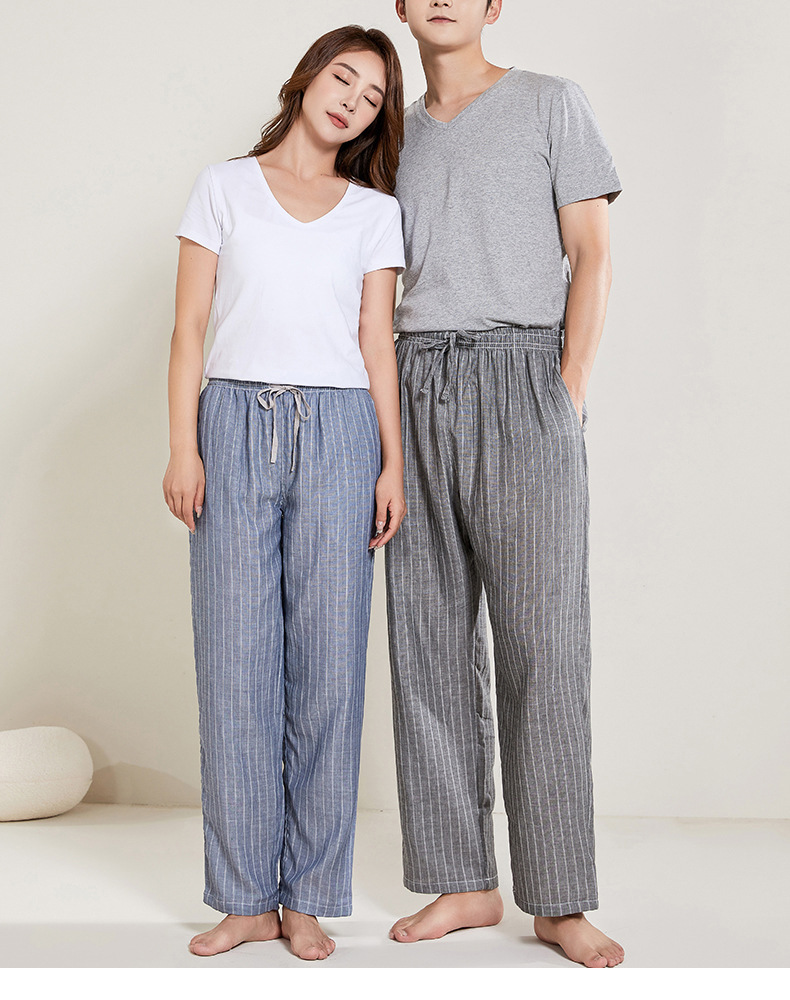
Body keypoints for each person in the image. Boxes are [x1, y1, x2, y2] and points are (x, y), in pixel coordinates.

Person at [385, 0, 625, 968]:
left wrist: (566, 391)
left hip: (524, 376)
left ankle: (559, 898)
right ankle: (463, 881)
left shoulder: (550, 103)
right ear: (401, 7)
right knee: (427, 644)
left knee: (542, 647)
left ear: (493, 6)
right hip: (412, 382)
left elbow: (592, 251)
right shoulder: (389, 134)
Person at [162, 25, 406, 962]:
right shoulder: (223, 187)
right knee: (235, 665)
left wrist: (392, 463)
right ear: (306, 79)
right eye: (342, 78)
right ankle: (242, 897)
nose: (351, 101)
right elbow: (189, 326)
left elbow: (377, 341)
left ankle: (307, 895)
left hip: (342, 432)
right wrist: (183, 448)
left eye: (372, 97)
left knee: (331, 673)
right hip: (232, 421)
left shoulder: (375, 211)